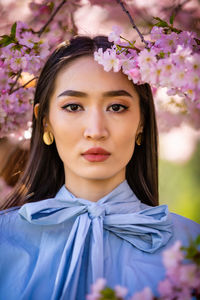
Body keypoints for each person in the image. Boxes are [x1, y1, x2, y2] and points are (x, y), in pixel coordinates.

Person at [0, 36, 199, 300]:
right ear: (45, 123)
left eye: (116, 107)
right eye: (73, 106)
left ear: (142, 123)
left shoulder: (190, 246)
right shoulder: (4, 240)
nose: (96, 131)